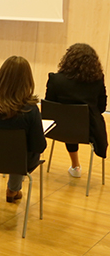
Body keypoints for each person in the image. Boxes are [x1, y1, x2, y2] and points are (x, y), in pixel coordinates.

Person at [0, 57, 47, 202]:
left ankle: (13, 189)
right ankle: (13, 189)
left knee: (15, 149)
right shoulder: (30, 110)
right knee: (20, 150)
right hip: (18, 162)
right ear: (28, 81)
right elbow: (38, 146)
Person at [45, 43, 108, 177]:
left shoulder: (56, 80)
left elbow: (49, 106)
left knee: (70, 121)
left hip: (57, 128)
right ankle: (75, 167)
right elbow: (101, 108)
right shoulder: (97, 81)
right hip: (88, 130)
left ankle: (75, 165)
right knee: (75, 122)